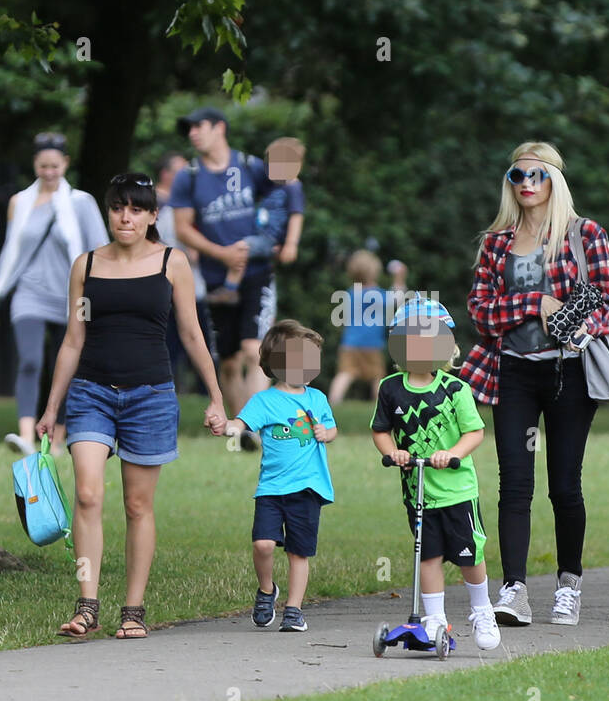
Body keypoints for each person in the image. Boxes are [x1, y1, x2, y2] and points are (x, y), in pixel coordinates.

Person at [37, 173, 227, 640]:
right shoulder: (86, 266)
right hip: (92, 393)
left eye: (137, 209)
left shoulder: (172, 262)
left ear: (152, 216)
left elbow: (190, 333)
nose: (127, 216)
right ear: (108, 212)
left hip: (151, 396)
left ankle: (134, 609)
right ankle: (86, 606)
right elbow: (72, 340)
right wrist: (51, 407)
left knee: (138, 505)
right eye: (119, 207)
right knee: (87, 494)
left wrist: (217, 396)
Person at [459, 141, 609, 629]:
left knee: (564, 485)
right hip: (512, 371)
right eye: (517, 176)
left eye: (537, 175)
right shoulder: (497, 243)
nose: (526, 184)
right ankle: (514, 590)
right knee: (514, 483)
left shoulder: (583, 234)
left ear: (555, 180)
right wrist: (534, 302)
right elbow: (481, 314)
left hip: (570, 371)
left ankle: (569, 584)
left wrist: (573, 318)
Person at [372, 299, 501, 650]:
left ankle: (482, 609)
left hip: (457, 489)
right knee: (426, 554)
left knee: (468, 554)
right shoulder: (390, 388)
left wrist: (453, 454)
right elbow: (381, 430)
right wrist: (392, 452)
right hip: (417, 489)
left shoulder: (454, 389)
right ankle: (434, 620)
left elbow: (474, 432)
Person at [169, 107, 304, 427]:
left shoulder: (250, 166)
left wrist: (287, 242)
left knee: (254, 351)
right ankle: (245, 427)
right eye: (188, 129)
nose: (192, 134)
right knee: (228, 363)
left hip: (257, 272)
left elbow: (287, 194)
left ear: (220, 128)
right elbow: (183, 228)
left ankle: (251, 428)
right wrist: (222, 253)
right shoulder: (187, 177)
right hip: (217, 279)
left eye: (198, 126)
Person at [0, 132, 107, 456]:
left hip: (72, 294)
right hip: (29, 293)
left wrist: (100, 296)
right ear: (35, 165)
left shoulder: (81, 202)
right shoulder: (19, 202)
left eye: (55, 166)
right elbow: (11, 253)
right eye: (43, 166)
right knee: (30, 359)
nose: (49, 172)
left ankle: (58, 437)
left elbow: (98, 250)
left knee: (66, 365)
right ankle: (26, 433)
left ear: (65, 164)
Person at [222, 320, 336, 633]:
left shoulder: (317, 399)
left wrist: (326, 433)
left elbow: (331, 428)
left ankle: (294, 609)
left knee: (299, 552)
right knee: (263, 545)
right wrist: (225, 426)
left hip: (308, 488)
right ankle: (267, 590)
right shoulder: (264, 401)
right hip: (272, 488)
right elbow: (241, 423)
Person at [210, 138, 308, 304]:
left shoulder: (293, 187)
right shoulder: (276, 186)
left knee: (241, 248)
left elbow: (296, 216)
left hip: (270, 239)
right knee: (238, 246)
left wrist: (291, 244)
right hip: (262, 236)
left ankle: (230, 289)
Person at [154, 151, 217, 389]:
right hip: (171, 286)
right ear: (165, 174)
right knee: (178, 343)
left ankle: (205, 392)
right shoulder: (157, 207)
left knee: (192, 341)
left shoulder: (184, 204)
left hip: (191, 286)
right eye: (181, 170)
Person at [328, 250, 408, 405]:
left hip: (349, 343)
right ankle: (379, 407)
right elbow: (398, 298)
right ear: (374, 273)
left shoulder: (350, 293)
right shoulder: (376, 294)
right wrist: (399, 278)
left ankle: (333, 404)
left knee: (344, 374)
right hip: (372, 344)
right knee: (377, 377)